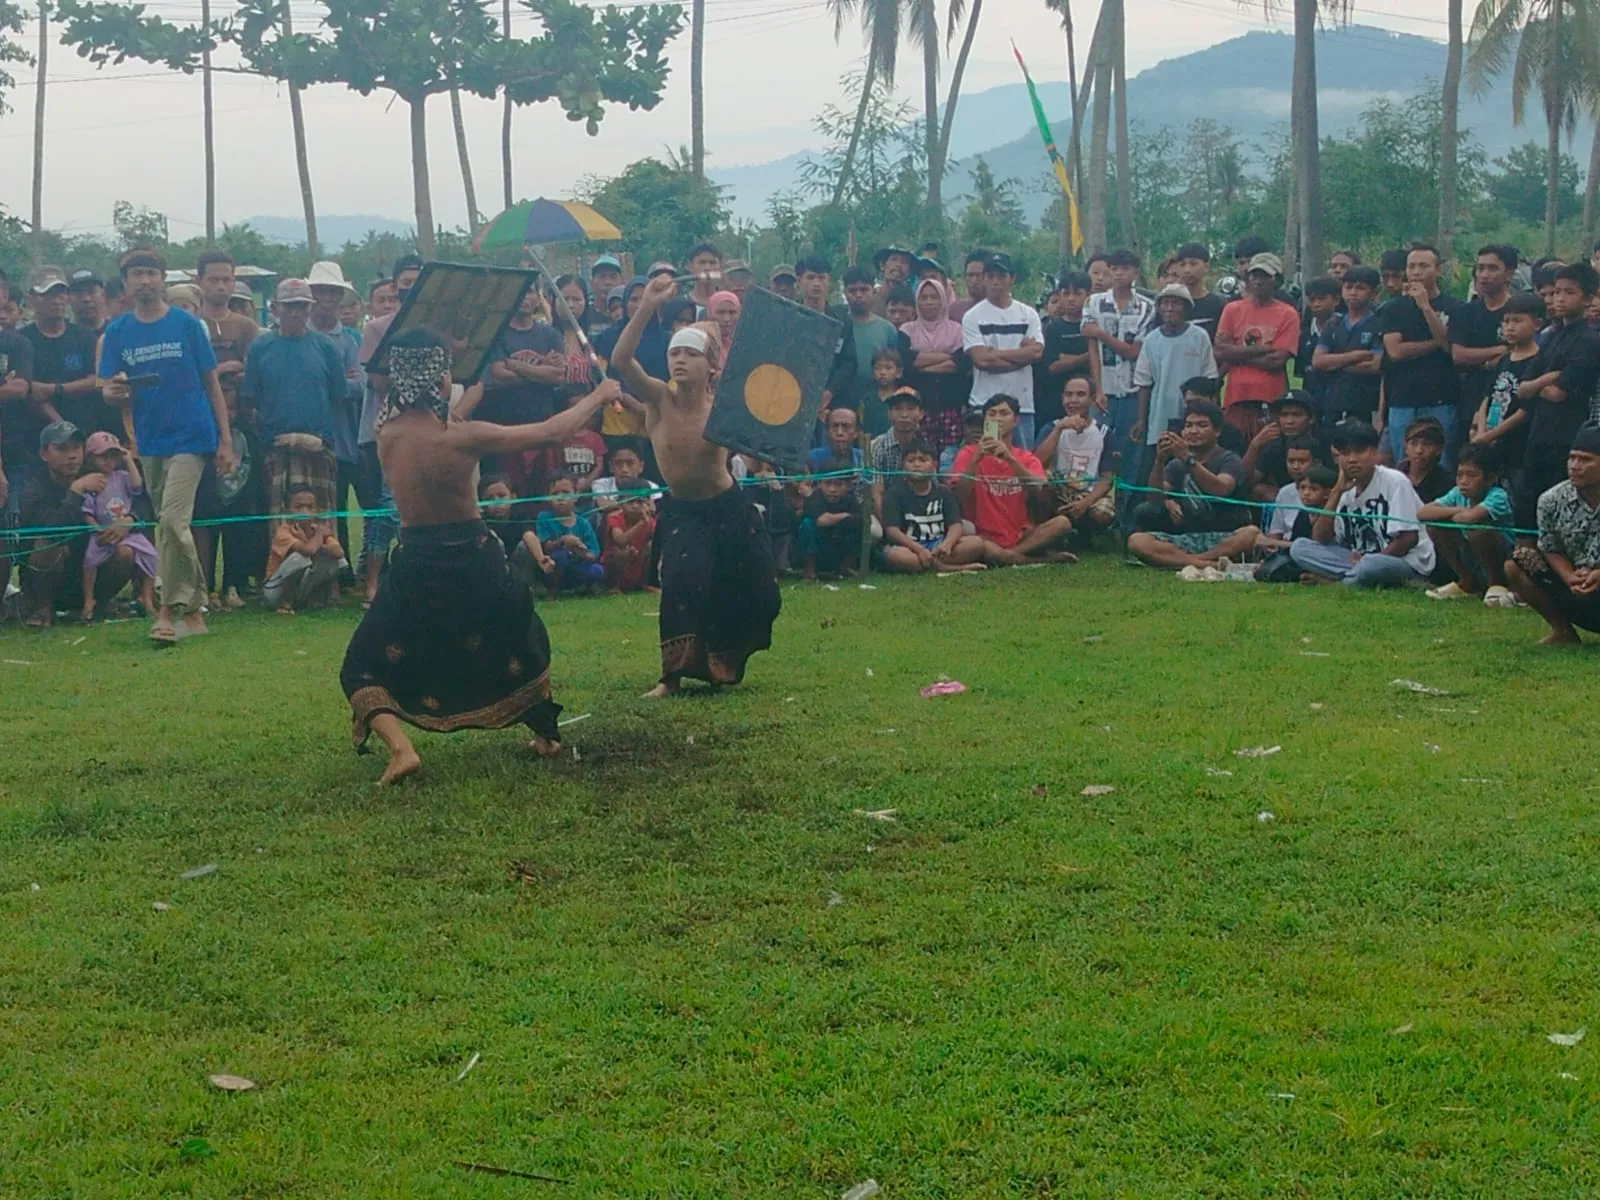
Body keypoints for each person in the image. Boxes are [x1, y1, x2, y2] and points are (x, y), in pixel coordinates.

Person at [339, 326, 615, 783]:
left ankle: (401, 748)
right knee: (521, 641)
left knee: (361, 664)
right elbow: (551, 431)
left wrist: (459, 358)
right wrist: (599, 395)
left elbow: (443, 412)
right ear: (441, 382)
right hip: (474, 556)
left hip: (415, 560)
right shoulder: (462, 439)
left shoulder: (385, 431)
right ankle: (546, 735)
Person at [610, 274, 780, 697]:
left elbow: (761, 433)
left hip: (728, 506)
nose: (679, 360)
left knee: (761, 590)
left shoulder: (723, 405)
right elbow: (621, 360)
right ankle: (670, 677)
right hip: (683, 510)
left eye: (690, 353)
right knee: (683, 584)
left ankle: (722, 659)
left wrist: (768, 463)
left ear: (711, 365)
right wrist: (647, 305)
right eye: (674, 353)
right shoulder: (657, 399)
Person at [98, 247, 234, 645]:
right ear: (125, 283)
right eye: (136, 274)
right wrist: (116, 391)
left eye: (151, 273)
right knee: (170, 527)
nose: (144, 280)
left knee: (173, 522)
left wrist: (225, 440)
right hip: (151, 440)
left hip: (193, 436)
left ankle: (166, 609)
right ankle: (194, 606)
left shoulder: (186, 325)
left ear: (163, 279)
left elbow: (212, 383)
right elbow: (108, 390)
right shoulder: (118, 332)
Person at [242, 278, 347, 523]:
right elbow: (251, 397)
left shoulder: (325, 346)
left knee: (322, 524)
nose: (295, 313)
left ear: (310, 307)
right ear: (276, 308)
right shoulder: (261, 346)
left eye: (301, 306)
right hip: (276, 447)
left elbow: (338, 395)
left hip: (318, 447)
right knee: (280, 527)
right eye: (289, 306)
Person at [1511, 263, 1600, 539]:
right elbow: (1523, 388)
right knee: (1527, 503)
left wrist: (1542, 384)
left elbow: (1559, 392)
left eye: (1569, 292)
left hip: (1569, 436)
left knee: (1560, 506)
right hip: (1539, 432)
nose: (1560, 298)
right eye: (1557, 292)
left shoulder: (1589, 340)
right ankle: (1521, 570)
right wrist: (1547, 378)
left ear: (1588, 298)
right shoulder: (1549, 337)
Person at [1290, 420, 1435, 588]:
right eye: (1345, 453)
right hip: (1358, 560)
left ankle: (1335, 583)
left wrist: (1370, 560)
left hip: (1404, 561)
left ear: (1374, 452)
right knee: (1299, 547)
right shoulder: (1345, 491)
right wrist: (1336, 492)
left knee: (1370, 566)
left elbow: (1408, 539)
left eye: (1359, 452)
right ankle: (1356, 578)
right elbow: (1320, 538)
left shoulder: (1395, 481)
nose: (1352, 459)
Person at [355, 253, 423, 607]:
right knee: (384, 508)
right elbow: (378, 380)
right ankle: (373, 583)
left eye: (417, 284)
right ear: (396, 288)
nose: (410, 291)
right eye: (405, 285)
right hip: (386, 431)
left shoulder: (436, 327)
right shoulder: (377, 328)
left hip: (429, 430)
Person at [17, 422, 129, 626]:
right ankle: (43, 608)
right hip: (51, 578)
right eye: (61, 449)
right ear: (44, 453)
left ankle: (100, 603)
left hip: (91, 569)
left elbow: (139, 504)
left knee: (126, 551)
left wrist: (130, 521)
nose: (72, 456)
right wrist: (76, 492)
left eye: (76, 448)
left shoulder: (100, 474)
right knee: (47, 546)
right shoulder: (33, 488)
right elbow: (55, 531)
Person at [1126, 401, 1260, 570]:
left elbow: (1221, 488)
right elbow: (1154, 497)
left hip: (1225, 536)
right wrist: (1159, 460)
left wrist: (1189, 459)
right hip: (1188, 536)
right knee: (1137, 541)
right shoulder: (1176, 464)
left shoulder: (1229, 459)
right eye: (1189, 426)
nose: (1193, 431)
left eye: (1202, 425)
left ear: (1217, 431)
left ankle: (1188, 561)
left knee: (1251, 533)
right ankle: (1206, 564)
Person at [1129, 284, 1219, 523]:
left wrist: (1211, 414)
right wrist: (1141, 419)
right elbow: (1144, 382)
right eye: (1165, 303)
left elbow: (1210, 378)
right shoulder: (1151, 340)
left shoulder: (1199, 337)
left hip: (1194, 415)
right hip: (1161, 412)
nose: (1170, 308)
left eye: (1176, 303)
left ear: (1187, 308)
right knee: (1159, 465)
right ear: (1158, 308)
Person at [1503, 424, 1600, 644]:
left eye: (1585, 460)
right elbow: (1549, 547)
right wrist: (1568, 577)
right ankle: (1562, 631)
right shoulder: (1550, 500)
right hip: (1575, 587)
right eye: (1572, 458)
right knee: (1517, 562)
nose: (1575, 466)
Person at [951, 393, 1073, 564]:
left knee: (1062, 523)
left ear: (1015, 421)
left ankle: (1010, 556)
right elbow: (959, 497)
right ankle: (1029, 560)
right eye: (992, 414)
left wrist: (1010, 460)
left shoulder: (1025, 457)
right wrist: (974, 461)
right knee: (973, 541)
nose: (998, 418)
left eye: (1003, 413)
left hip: (1020, 534)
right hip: (981, 536)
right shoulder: (968, 453)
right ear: (985, 420)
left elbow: (1039, 489)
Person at [1380, 244, 1467, 463]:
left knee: (1442, 459)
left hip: (1442, 398)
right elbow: (1395, 351)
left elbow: (1449, 347)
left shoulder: (1455, 307)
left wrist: (1426, 307)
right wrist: (1435, 342)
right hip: (1402, 398)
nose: (1416, 272)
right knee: (1405, 462)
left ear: (1438, 270)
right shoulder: (1393, 308)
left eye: (1423, 266)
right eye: (1411, 266)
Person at [307, 261, 366, 576]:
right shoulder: (301, 338)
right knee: (320, 508)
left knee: (346, 506)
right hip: (313, 434)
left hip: (347, 436)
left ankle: (351, 571)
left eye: (332, 292)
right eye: (321, 292)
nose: (326, 299)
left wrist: (336, 384)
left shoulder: (351, 339)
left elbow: (360, 385)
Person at [1084, 249, 1154, 510]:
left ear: (1135, 272)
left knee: (1130, 453)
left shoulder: (1147, 307)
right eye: (1115, 269)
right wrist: (1097, 388)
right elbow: (1092, 349)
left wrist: (1101, 333)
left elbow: (1133, 351)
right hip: (1104, 391)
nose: (1119, 274)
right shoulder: (1094, 303)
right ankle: (1090, 509)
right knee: (1094, 449)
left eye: (1125, 269)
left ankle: (1126, 514)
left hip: (1133, 390)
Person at [1215, 252, 1299, 441]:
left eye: (1264, 276)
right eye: (1254, 275)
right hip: (1236, 397)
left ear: (1277, 280)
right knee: (1235, 449)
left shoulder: (1288, 314)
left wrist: (1236, 353)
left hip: (1270, 398)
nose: (1257, 281)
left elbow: (1277, 360)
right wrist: (1262, 349)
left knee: (1267, 452)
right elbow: (1220, 351)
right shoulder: (1232, 309)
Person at [962, 253, 1044, 447]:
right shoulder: (973, 317)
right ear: (984, 279)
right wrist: (1020, 356)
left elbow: (1036, 353)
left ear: (1012, 278)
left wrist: (996, 354)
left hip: (1022, 407)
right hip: (986, 405)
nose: (995, 282)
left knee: (1021, 464)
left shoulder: (1028, 314)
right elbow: (982, 361)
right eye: (990, 276)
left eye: (1001, 276)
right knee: (989, 461)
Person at [1420, 444, 1517, 604]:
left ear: (1490, 478)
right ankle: (1466, 581)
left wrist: (1455, 513)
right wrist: (1457, 510)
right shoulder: (1458, 493)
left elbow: (1470, 518)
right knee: (1435, 527)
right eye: (1460, 475)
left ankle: (1497, 583)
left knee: (1477, 531)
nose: (1464, 481)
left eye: (1471, 475)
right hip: (1472, 556)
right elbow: (1423, 513)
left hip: (1503, 557)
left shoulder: (1498, 495)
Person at [22, 268, 112, 440]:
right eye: (47, 295)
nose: (56, 301)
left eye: (60, 294)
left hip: (89, 430)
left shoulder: (85, 337)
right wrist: (64, 429)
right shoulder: (22, 341)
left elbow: (97, 379)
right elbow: (27, 388)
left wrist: (55, 389)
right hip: (37, 435)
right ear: (30, 299)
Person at [77, 430, 157, 622]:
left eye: (113, 456)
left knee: (151, 555)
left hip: (128, 532)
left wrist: (128, 460)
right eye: (102, 456)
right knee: (90, 560)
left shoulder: (122, 476)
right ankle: (89, 601)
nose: (108, 461)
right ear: (91, 458)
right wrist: (95, 529)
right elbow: (86, 510)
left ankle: (147, 598)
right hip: (101, 533)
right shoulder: (92, 481)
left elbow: (137, 486)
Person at [1451, 245, 1519, 456]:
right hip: (1469, 397)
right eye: (1480, 268)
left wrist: (1485, 357)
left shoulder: (1520, 310)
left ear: (1509, 273)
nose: (1484, 275)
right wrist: (1499, 351)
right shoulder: (1466, 311)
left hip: (1509, 400)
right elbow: (1458, 355)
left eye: (1492, 268)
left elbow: (1523, 352)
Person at [881, 440, 984, 573]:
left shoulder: (944, 492)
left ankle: (930, 566)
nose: (916, 465)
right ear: (903, 466)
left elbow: (955, 525)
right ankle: (950, 568)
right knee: (896, 555)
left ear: (934, 465)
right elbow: (892, 531)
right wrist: (920, 550)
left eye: (923, 460)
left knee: (976, 543)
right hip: (911, 547)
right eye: (911, 461)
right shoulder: (894, 493)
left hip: (939, 546)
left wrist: (947, 544)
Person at [1469, 291, 1542, 471]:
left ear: (1537, 324)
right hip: (1488, 437)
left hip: (1515, 442)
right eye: (1506, 321)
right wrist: (1480, 430)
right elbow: (1488, 396)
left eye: (1517, 321)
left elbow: (1524, 411)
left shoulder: (1539, 360)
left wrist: (1490, 436)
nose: (1509, 327)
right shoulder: (1504, 359)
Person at [1035, 375, 1117, 537]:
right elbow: (1036, 462)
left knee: (1103, 513)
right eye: (1068, 394)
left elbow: (1107, 478)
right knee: (1040, 478)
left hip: (1088, 492)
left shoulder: (1104, 432)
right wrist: (1059, 429)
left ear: (1092, 399)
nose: (1073, 400)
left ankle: (1086, 533)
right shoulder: (1051, 427)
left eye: (1080, 395)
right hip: (1059, 489)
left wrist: (1086, 503)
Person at [1312, 264, 1383, 428]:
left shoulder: (1379, 324)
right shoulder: (1334, 323)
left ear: (1374, 292)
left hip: (1366, 404)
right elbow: (1317, 361)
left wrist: (1334, 363)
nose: (1353, 293)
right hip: (1333, 402)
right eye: (1348, 287)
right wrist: (1356, 356)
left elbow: (1375, 365)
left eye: (1360, 288)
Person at [904, 276, 970, 453]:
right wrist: (946, 356)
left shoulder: (957, 330)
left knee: (949, 459)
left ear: (943, 299)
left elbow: (960, 363)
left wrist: (922, 368)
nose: (929, 302)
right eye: (923, 297)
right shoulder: (907, 330)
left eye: (934, 297)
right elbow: (907, 363)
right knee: (919, 455)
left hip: (950, 407)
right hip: (919, 408)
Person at [262, 487, 346, 614]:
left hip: (302, 586)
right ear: (287, 510)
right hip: (275, 591)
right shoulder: (283, 532)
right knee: (299, 559)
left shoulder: (319, 529)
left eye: (310, 507)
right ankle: (285, 604)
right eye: (298, 506)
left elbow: (339, 553)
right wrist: (319, 536)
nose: (304, 511)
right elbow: (309, 550)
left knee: (339, 562)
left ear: (316, 510)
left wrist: (318, 538)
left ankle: (317, 602)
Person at [838, 265, 900, 435]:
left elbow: (893, 364)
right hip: (842, 399)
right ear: (845, 292)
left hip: (877, 401)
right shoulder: (837, 325)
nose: (858, 295)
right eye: (852, 290)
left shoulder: (887, 329)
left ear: (874, 291)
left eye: (864, 290)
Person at [1036, 270, 1094, 433]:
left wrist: (1066, 358)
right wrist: (1087, 356)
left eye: (1077, 293)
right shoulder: (1052, 328)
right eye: (1066, 293)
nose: (1071, 298)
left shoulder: (1093, 324)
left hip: (1090, 399)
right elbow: (1053, 366)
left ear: (1088, 296)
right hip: (1056, 400)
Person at [1243, 391, 1324, 504]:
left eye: (1297, 415)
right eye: (1284, 415)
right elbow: (1245, 483)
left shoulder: (1324, 443)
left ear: (1311, 418)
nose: (1289, 421)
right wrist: (1254, 446)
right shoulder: (1274, 444)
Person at [531, 476, 604, 595]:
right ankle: (553, 589)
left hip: (577, 564)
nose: (561, 498)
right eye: (555, 493)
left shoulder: (583, 522)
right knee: (560, 555)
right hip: (553, 567)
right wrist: (562, 541)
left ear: (575, 496)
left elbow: (594, 553)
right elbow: (546, 547)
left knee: (598, 571)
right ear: (548, 498)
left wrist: (580, 551)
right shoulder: (544, 517)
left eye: (566, 492)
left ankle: (585, 587)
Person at [868, 386, 925, 523]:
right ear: (889, 413)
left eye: (910, 409)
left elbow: (930, 488)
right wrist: (892, 528)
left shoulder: (925, 445)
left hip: (913, 510)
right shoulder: (877, 446)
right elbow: (876, 494)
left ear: (921, 414)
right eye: (898, 409)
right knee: (874, 531)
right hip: (880, 510)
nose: (904, 415)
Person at [799, 466, 863, 578]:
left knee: (858, 526)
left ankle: (846, 568)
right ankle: (809, 570)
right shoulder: (814, 498)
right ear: (819, 484)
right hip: (817, 546)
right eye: (827, 484)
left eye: (839, 484)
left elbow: (860, 519)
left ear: (848, 486)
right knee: (807, 524)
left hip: (838, 546)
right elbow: (821, 520)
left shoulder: (850, 500)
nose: (832, 489)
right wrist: (844, 515)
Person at [1260, 460, 1335, 551]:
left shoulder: (1334, 514)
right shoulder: (1303, 514)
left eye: (1314, 489)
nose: (1306, 493)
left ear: (1328, 493)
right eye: (1302, 488)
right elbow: (1296, 543)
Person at [1298, 276, 1341, 413]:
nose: (1316, 304)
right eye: (1312, 300)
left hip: (1339, 397)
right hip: (1312, 399)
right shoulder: (1304, 334)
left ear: (1336, 300)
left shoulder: (1345, 328)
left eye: (1322, 299)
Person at [590, 439, 663, 511]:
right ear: (611, 466)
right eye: (618, 463)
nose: (624, 469)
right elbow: (602, 504)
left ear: (641, 466)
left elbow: (652, 508)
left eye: (630, 463)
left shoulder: (652, 487)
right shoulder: (601, 484)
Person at [602, 493, 655, 592]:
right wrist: (641, 523)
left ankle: (645, 584)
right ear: (621, 505)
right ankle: (615, 586)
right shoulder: (614, 517)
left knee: (651, 546)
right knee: (622, 550)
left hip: (637, 563)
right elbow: (620, 541)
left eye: (639, 502)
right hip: (615, 564)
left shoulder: (651, 521)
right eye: (630, 502)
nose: (635, 506)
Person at [1173, 241, 1227, 338]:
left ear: (1206, 267)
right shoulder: (1169, 305)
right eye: (1182, 264)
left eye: (1193, 264)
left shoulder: (1218, 304)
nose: (1187, 270)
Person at [1397, 417, 1452, 502]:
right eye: (1414, 443)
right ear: (1406, 447)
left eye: (1427, 444)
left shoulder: (1447, 483)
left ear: (1439, 449)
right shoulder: (1394, 477)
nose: (1419, 450)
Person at [948, 250, 990, 324]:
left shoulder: (1004, 311)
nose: (974, 281)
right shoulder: (956, 311)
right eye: (970, 275)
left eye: (979, 275)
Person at [67, 270, 108, 336]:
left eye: (92, 291)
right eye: (78, 293)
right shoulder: (59, 334)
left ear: (103, 294)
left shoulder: (116, 332)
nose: (86, 299)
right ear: (68, 299)